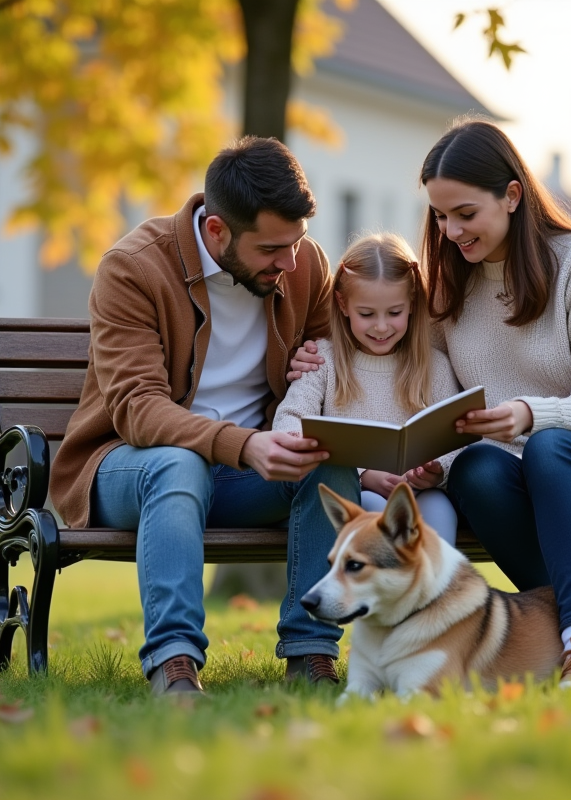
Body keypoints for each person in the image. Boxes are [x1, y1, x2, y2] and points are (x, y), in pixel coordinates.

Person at [291, 120, 571, 691]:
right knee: (476, 465)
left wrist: (526, 413)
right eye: (440, 217)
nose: (449, 231)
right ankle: (562, 639)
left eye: (465, 214)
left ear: (512, 196)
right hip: (508, 482)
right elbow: (391, 345)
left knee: (548, 446)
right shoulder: (448, 283)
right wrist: (314, 360)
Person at [49, 136, 361, 697]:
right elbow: (139, 410)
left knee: (327, 464)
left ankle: (312, 655)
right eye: (271, 250)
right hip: (127, 467)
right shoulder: (133, 269)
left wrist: (319, 364)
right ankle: (175, 664)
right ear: (217, 231)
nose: (288, 263)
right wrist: (244, 444)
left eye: (297, 244)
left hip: (247, 471)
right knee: (178, 465)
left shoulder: (304, 264)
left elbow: (327, 366)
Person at [272, 233, 461, 544]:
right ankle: (381, 591)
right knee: (372, 513)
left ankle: (432, 592)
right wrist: (361, 473)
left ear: (412, 303)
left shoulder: (435, 366)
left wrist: (435, 470)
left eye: (394, 312)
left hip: (422, 492)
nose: (382, 326)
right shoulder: (322, 360)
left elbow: (456, 438)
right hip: (354, 494)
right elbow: (290, 422)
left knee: (439, 513)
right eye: (367, 314)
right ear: (343, 304)